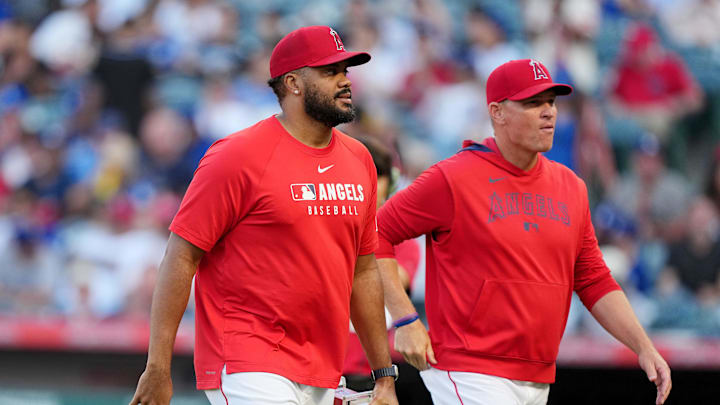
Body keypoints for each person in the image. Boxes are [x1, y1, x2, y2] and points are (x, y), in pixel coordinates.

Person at [375, 59, 672, 405]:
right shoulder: (453, 178)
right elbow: (375, 233)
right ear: (497, 112)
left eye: (551, 102)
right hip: (469, 369)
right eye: (533, 103)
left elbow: (593, 279)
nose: (548, 113)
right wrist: (406, 318)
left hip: (536, 375)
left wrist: (643, 346)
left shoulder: (570, 187)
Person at [129, 26, 398, 405]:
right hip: (246, 358)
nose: (345, 81)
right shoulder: (237, 156)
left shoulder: (360, 161)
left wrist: (383, 375)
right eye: (330, 71)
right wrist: (157, 366)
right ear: (293, 83)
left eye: (345, 71)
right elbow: (181, 256)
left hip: (322, 364)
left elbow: (364, 270)